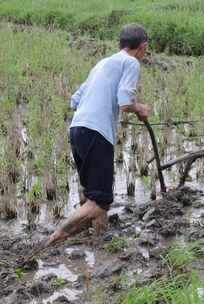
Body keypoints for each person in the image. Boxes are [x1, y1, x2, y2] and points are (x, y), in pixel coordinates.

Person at [46, 24, 150, 246]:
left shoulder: (102, 63)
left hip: (77, 129)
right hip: (97, 132)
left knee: (92, 195)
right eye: (146, 50)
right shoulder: (131, 62)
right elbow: (125, 102)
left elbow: (75, 99)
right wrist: (140, 108)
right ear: (142, 47)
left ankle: (101, 241)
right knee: (100, 202)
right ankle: (55, 239)